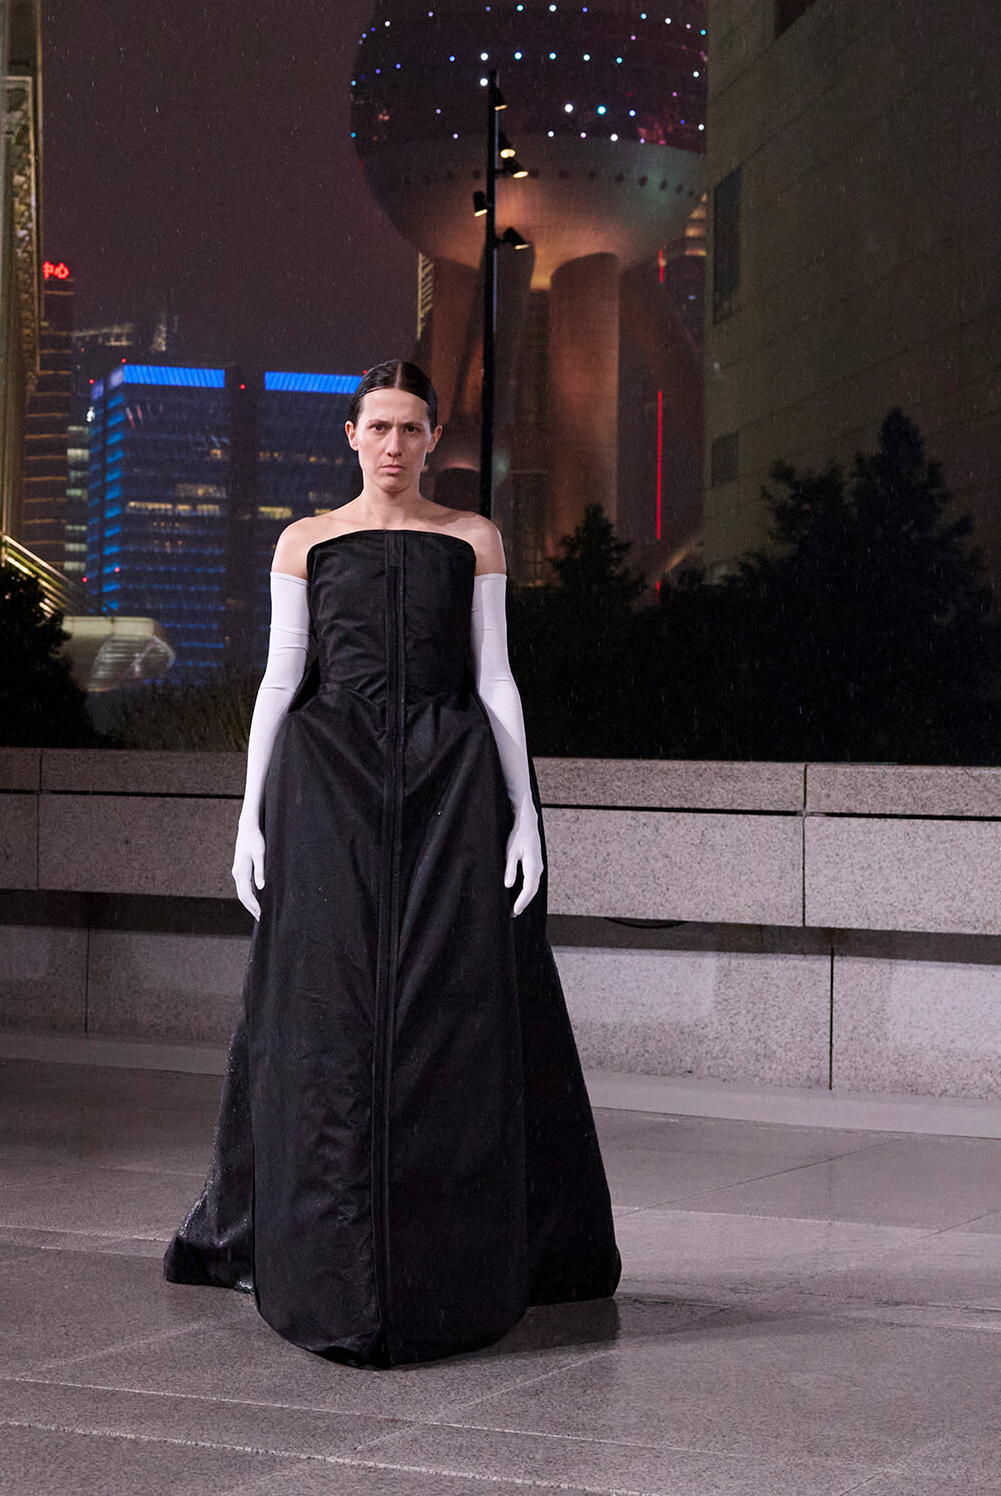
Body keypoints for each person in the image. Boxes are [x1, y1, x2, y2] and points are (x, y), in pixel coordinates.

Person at [164, 360, 620, 1366]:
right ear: (351, 433)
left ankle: (447, 1263)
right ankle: (321, 1251)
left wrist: (525, 817)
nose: (395, 445)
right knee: (326, 1010)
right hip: (326, 788)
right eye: (379, 426)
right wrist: (249, 819)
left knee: (449, 1011)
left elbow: (496, 683)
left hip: (450, 786)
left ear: (433, 436)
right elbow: (283, 682)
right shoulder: (306, 543)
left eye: (413, 428)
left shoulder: (474, 539)